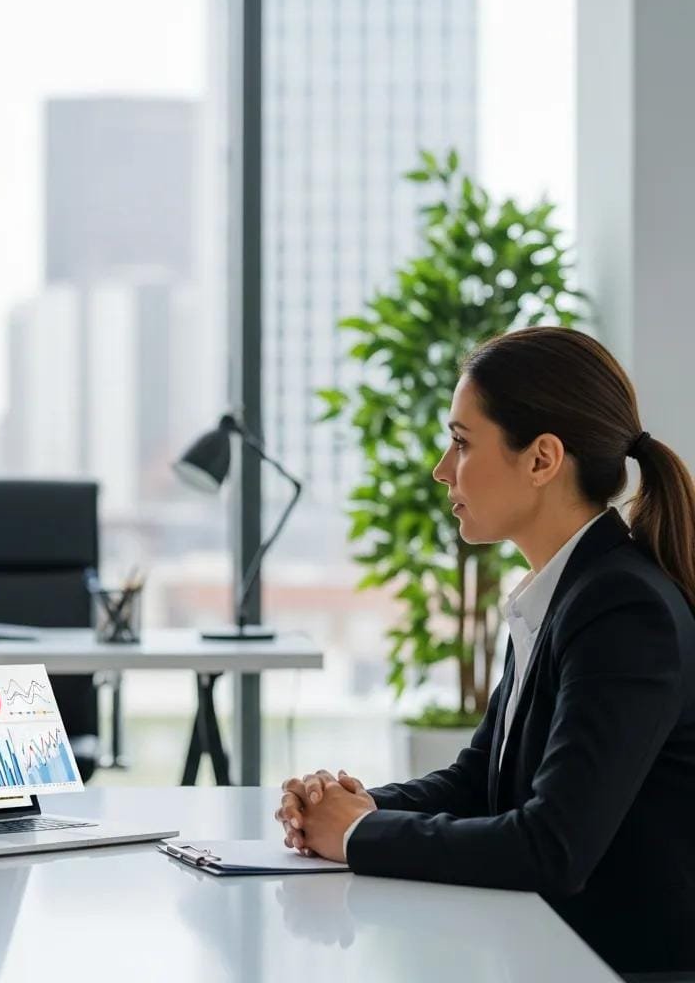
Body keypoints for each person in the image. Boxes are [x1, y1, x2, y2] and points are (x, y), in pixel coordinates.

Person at [276, 326, 695, 978]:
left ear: (541, 459)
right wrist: (349, 805)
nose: (442, 469)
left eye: (462, 443)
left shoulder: (622, 610)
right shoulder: (565, 591)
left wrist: (356, 834)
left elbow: (550, 846)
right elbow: (479, 782)